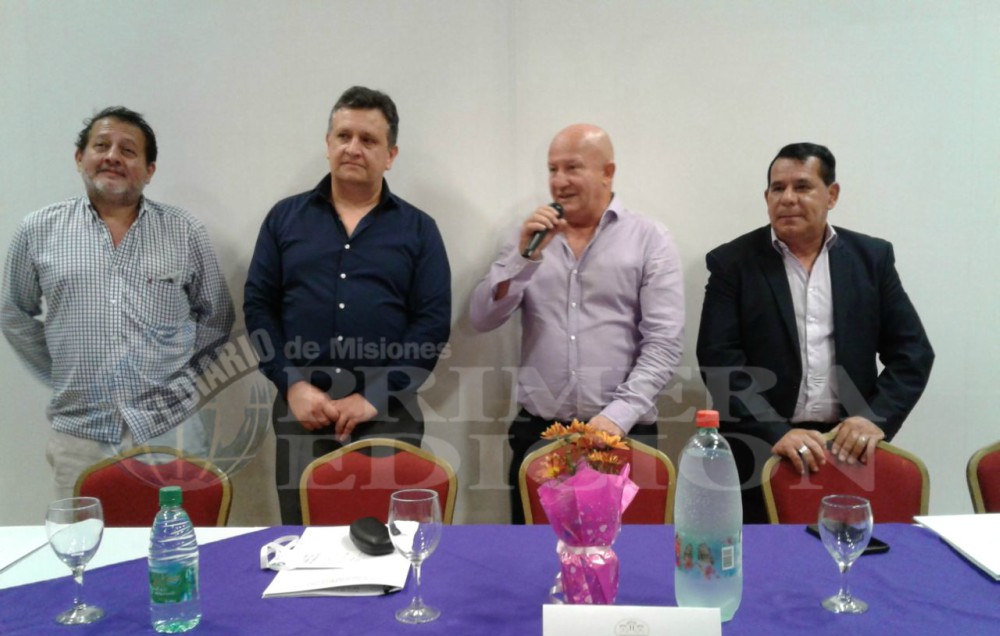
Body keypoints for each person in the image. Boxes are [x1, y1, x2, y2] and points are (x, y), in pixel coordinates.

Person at [1, 106, 235, 499]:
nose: (113, 156)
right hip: (80, 433)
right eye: (101, 146)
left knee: (178, 534)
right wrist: (60, 370)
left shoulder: (184, 231)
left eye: (128, 150)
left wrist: (184, 376)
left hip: (170, 428)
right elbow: (13, 312)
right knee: (84, 537)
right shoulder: (38, 230)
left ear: (149, 170)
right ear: (80, 158)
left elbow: (217, 315)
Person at [244, 86, 451, 525]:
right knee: (307, 541)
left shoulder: (419, 230)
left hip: (389, 414)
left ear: (390, 155)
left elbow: (431, 327)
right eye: (344, 136)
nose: (353, 148)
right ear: (328, 144)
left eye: (368, 140)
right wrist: (292, 385)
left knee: (392, 542)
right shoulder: (284, 219)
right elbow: (258, 309)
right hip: (302, 414)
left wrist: (372, 399)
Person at [696, 142, 934, 523]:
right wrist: (775, 430)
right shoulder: (732, 263)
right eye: (778, 188)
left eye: (802, 186)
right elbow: (718, 359)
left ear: (832, 195)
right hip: (759, 452)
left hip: (848, 452)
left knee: (849, 550)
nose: (788, 198)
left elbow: (913, 353)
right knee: (765, 556)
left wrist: (875, 418)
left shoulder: (871, 259)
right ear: (767, 197)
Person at [469, 124, 685, 523]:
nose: (559, 181)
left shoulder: (650, 239)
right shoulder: (528, 238)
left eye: (572, 168)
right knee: (537, 551)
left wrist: (616, 417)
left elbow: (664, 343)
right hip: (540, 433)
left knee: (625, 551)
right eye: (552, 169)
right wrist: (523, 258)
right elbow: (482, 317)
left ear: (607, 172)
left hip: (623, 432)